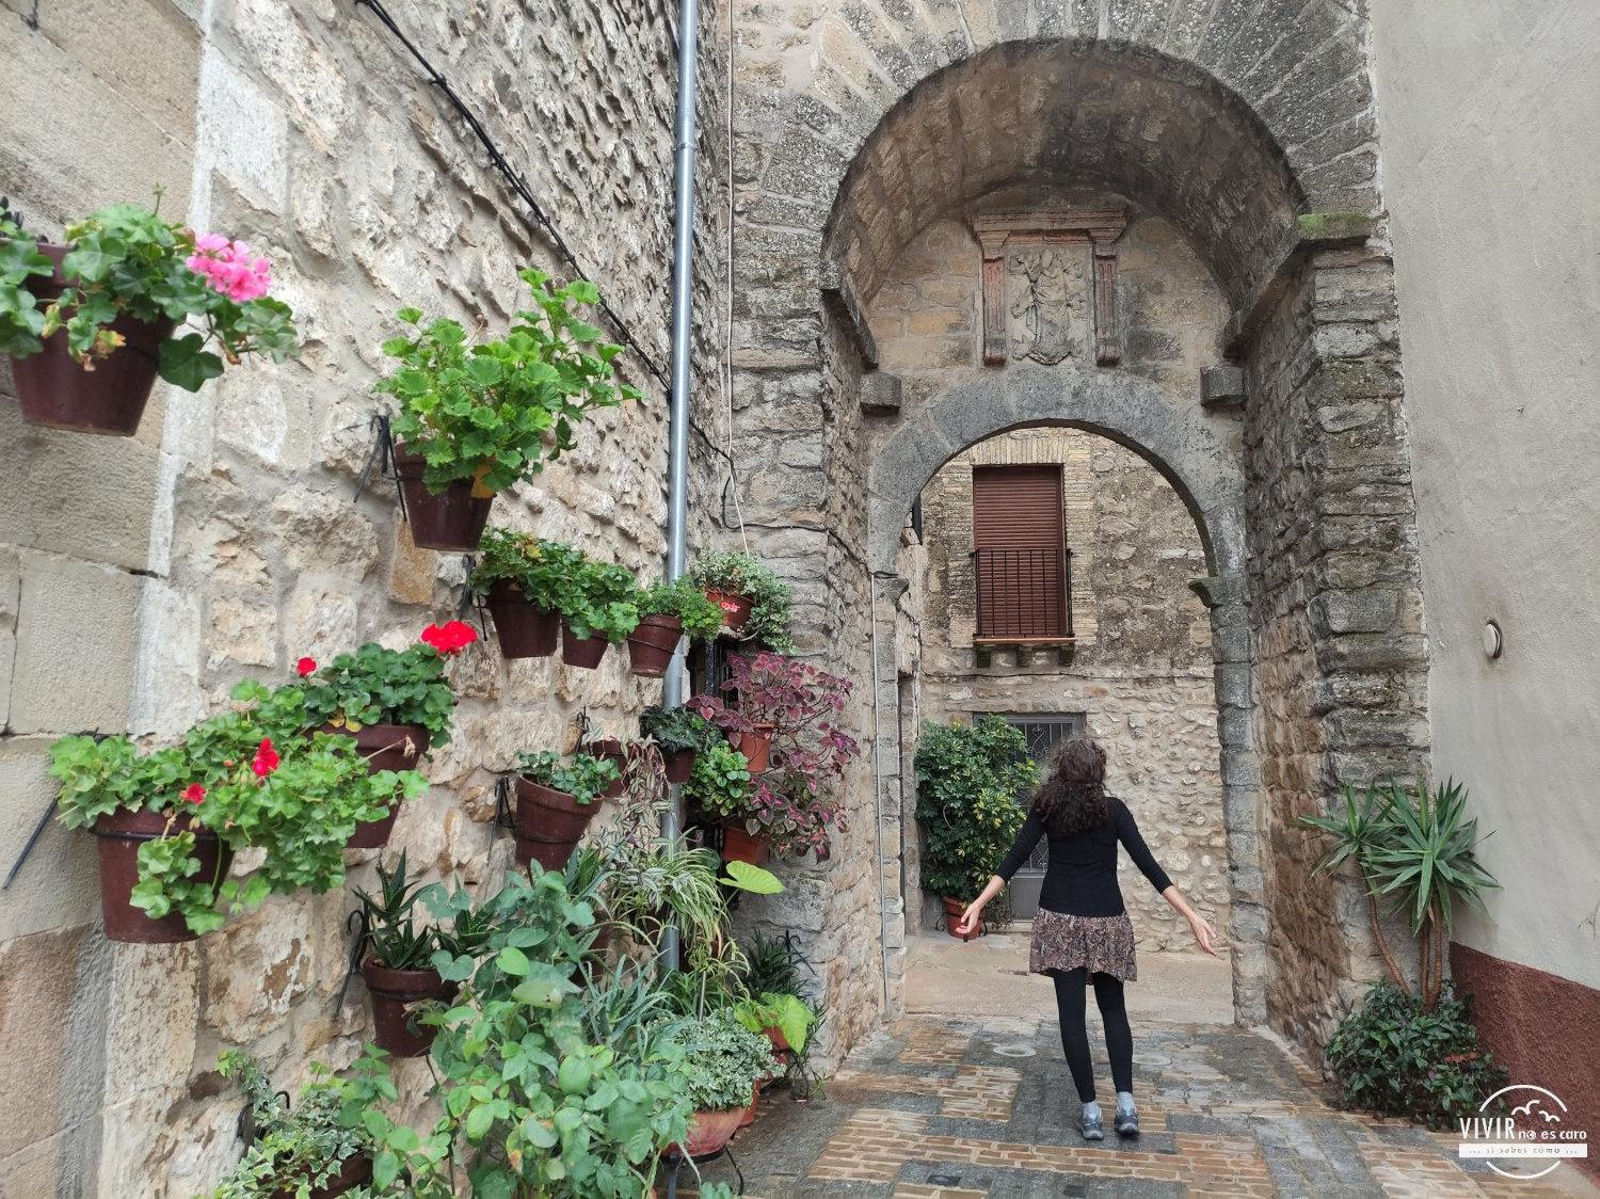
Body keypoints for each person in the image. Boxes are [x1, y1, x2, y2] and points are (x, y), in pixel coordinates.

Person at [956, 737, 1219, 1141]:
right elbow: (1150, 867)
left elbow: (1013, 859)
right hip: (1106, 922)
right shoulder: (1114, 812)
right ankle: (1127, 1107)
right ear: (1098, 773)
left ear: (1062, 773)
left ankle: (1092, 1112)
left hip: (1060, 921)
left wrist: (977, 903)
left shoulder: (1047, 809)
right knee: (1114, 1011)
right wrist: (1192, 915)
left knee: (1072, 1016)